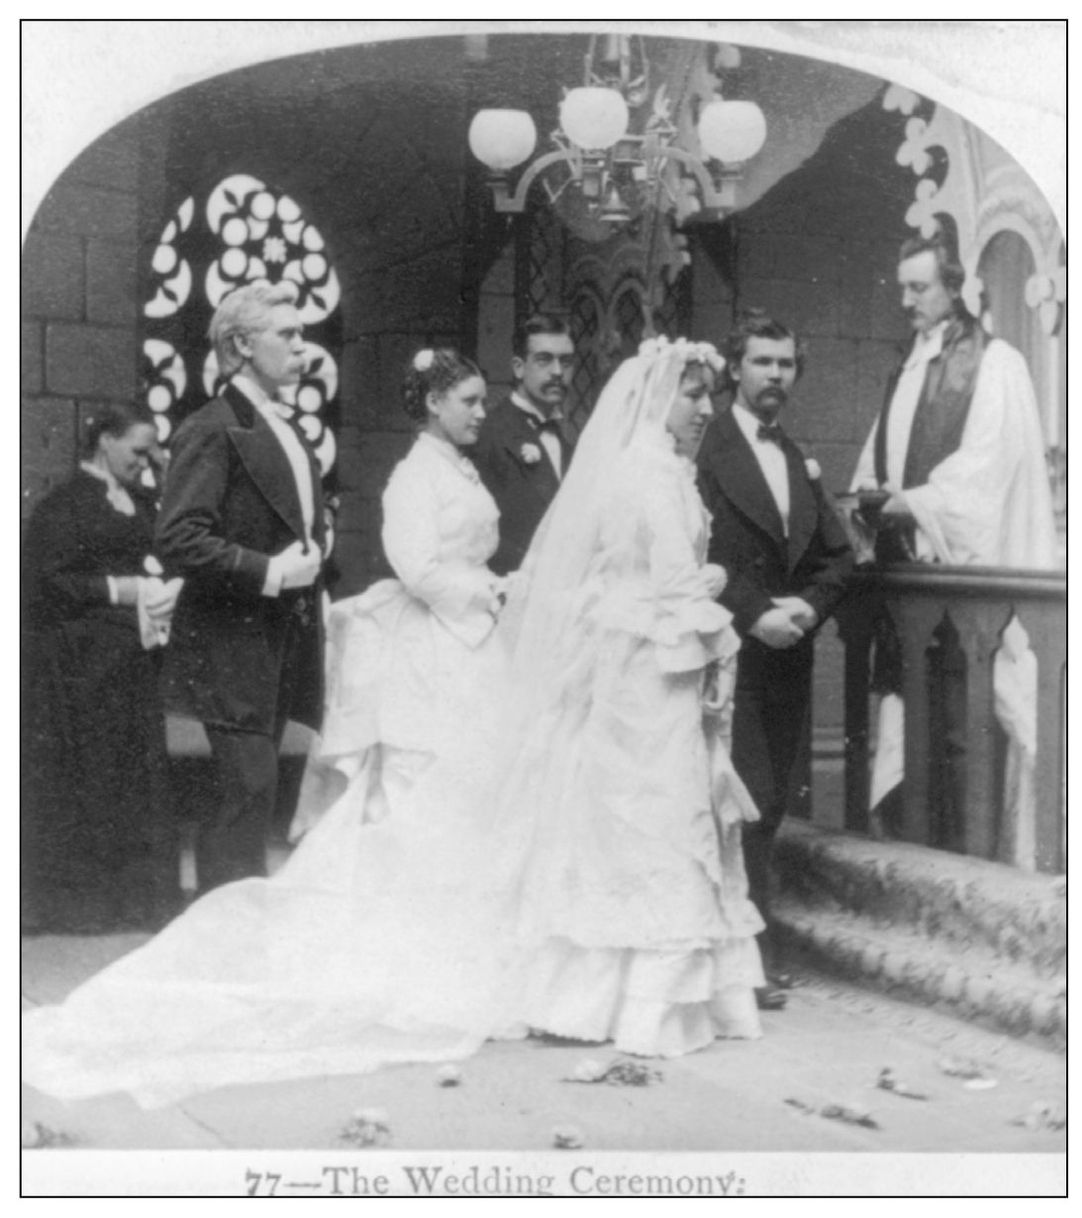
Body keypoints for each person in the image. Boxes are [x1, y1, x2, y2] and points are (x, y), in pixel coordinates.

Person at [22, 338, 762, 1109]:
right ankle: (423, 939)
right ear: (433, 405)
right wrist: (490, 601)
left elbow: (478, 554)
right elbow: (417, 567)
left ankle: (468, 936)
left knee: (480, 804)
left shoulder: (463, 469)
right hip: (438, 648)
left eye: (482, 400)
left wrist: (506, 587)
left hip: (477, 637)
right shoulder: (415, 474)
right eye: (469, 401)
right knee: (434, 799)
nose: (482, 412)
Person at [851, 233, 1059, 863]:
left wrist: (913, 502)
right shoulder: (910, 364)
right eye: (903, 288)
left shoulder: (994, 364)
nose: (907, 301)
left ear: (954, 287)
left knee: (964, 743)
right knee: (914, 739)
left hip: (965, 587)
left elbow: (989, 469)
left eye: (919, 288)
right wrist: (868, 494)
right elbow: (880, 454)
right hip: (913, 582)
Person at [697, 310, 854, 1011]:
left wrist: (805, 610)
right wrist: (755, 612)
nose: (774, 376)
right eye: (762, 362)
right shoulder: (706, 447)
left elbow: (838, 554)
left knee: (772, 802)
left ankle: (752, 948)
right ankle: (741, 959)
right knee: (738, 801)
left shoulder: (792, 455)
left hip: (788, 649)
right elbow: (700, 554)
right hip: (730, 649)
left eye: (785, 365)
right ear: (736, 368)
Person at [156, 279, 326, 894]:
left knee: (254, 801)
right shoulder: (212, 426)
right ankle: (219, 951)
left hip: (274, 647)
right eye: (288, 334)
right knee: (243, 800)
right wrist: (270, 572)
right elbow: (178, 537)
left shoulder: (288, 429)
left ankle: (235, 940)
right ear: (240, 344)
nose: (303, 349)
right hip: (231, 650)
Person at [21, 402, 184, 933]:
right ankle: (82, 908)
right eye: (139, 450)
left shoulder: (139, 501)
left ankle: (134, 902)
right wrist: (124, 589)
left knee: (131, 777)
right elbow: (44, 585)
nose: (148, 460)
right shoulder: (61, 507)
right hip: (77, 669)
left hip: (129, 664)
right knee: (91, 777)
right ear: (105, 442)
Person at [470, 312, 577, 574]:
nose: (557, 372)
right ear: (518, 367)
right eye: (544, 360)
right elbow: (475, 534)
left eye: (566, 361)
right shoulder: (489, 434)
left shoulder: (569, 439)